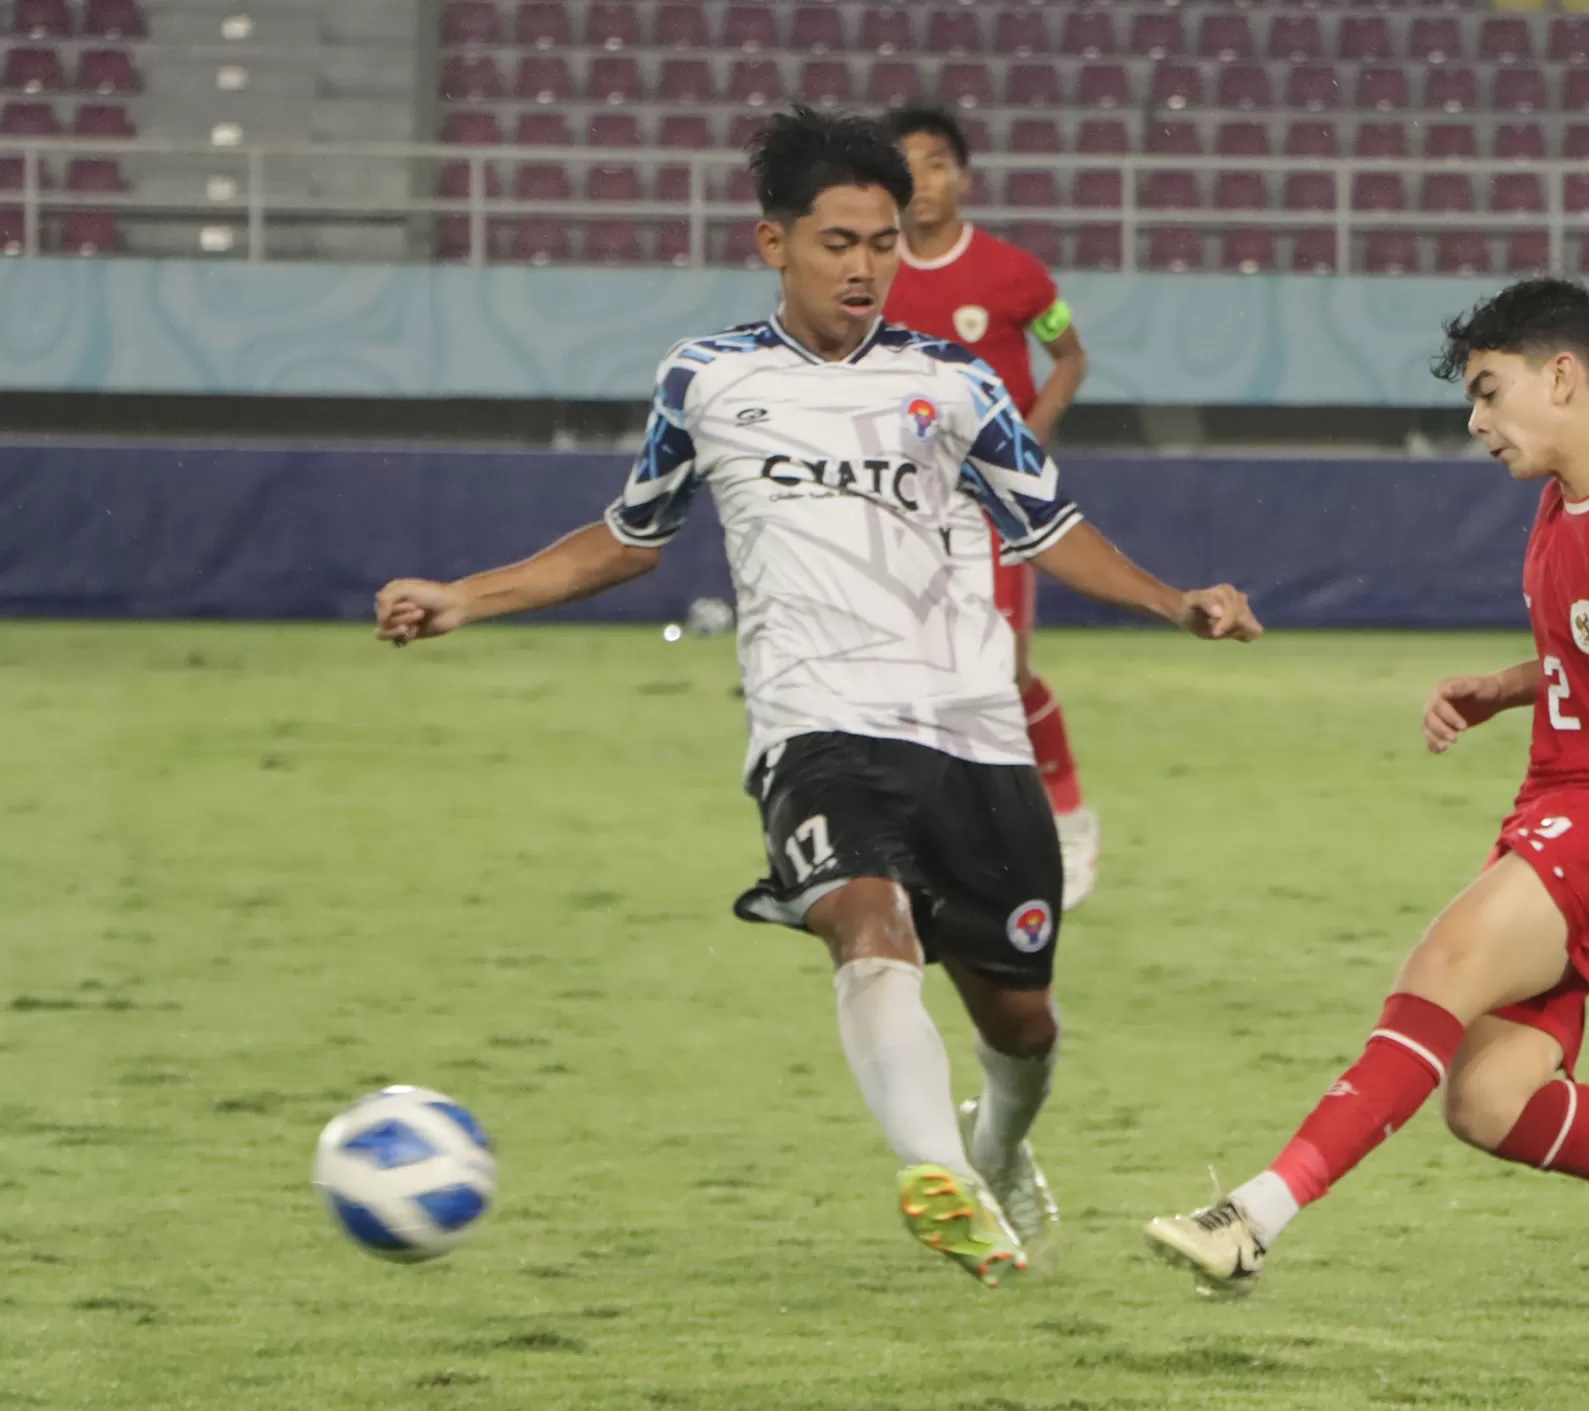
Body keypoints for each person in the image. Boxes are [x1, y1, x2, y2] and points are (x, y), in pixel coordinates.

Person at [373, 108, 1261, 1289]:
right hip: (817, 724)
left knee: (1021, 1023)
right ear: (774, 242)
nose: (862, 265)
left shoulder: (953, 381)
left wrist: (1174, 600)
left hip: (971, 728)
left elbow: (1047, 526)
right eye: (837, 240)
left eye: (883, 243)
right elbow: (630, 536)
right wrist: (465, 597)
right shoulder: (707, 379)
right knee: (861, 916)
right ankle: (938, 1173)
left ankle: (995, 1145)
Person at [1143, 280, 1589, 1324]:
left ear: (1561, 375)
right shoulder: (1563, 497)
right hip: (1562, 803)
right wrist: (1504, 685)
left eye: (1488, 391)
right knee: (1485, 1103)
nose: (1474, 422)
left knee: (1440, 963)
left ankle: (1250, 1215)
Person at [881, 103, 1101, 911]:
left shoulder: (1016, 275)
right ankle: (933, 839)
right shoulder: (872, 274)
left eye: (936, 163)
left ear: (963, 176)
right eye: (905, 165)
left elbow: (1070, 356)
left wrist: (1025, 439)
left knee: (1002, 668)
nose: (922, 181)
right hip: (903, 504)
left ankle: (1071, 817)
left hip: (995, 505)